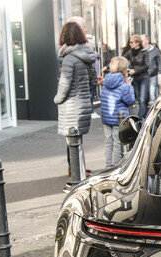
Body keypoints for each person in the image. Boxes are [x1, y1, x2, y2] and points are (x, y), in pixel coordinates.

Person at [54, 21, 97, 177]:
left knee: (71, 139)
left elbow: (64, 84)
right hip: (84, 103)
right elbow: (93, 82)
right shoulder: (88, 56)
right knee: (78, 140)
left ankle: (76, 171)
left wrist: (57, 99)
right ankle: (78, 168)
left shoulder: (69, 58)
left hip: (71, 104)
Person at [100, 56, 135, 168]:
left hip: (107, 117)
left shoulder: (106, 82)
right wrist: (130, 87)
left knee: (108, 142)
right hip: (118, 119)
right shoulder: (124, 85)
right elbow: (130, 100)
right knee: (117, 142)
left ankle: (108, 165)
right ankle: (116, 166)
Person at [123, 34, 150, 118]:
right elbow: (122, 59)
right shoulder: (130, 52)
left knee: (142, 99)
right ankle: (145, 116)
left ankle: (140, 117)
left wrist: (135, 71)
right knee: (138, 99)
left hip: (144, 78)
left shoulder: (144, 52)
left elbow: (146, 65)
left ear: (137, 43)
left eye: (131, 42)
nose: (130, 44)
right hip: (135, 78)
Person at [142, 34, 161, 106]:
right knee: (143, 97)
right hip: (143, 76)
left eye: (142, 40)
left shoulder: (155, 50)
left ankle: (153, 112)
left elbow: (159, 62)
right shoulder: (140, 51)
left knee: (152, 95)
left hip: (152, 75)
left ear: (147, 41)